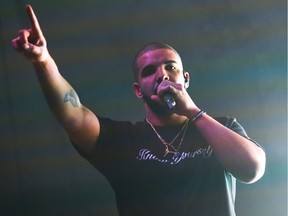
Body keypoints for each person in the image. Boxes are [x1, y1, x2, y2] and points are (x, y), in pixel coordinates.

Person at [12, 5, 266, 216]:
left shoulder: (222, 127)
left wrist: (193, 112)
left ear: (186, 78)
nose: (162, 75)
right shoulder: (122, 140)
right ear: (137, 90)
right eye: (149, 71)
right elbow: (74, 113)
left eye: (171, 67)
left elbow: (252, 169)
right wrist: (43, 61)